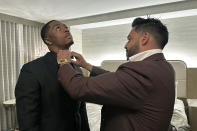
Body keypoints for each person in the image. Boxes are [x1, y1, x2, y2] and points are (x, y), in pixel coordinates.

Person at [56, 17, 175, 131]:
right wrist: (88, 66)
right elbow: (118, 79)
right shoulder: (164, 66)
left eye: (129, 39)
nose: (125, 45)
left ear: (144, 38)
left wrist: (63, 62)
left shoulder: (143, 71)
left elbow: (79, 88)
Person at [15, 20, 90, 131]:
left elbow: (81, 109)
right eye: (57, 28)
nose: (66, 29)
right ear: (48, 40)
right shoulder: (31, 69)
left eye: (65, 27)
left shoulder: (76, 67)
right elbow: (27, 120)